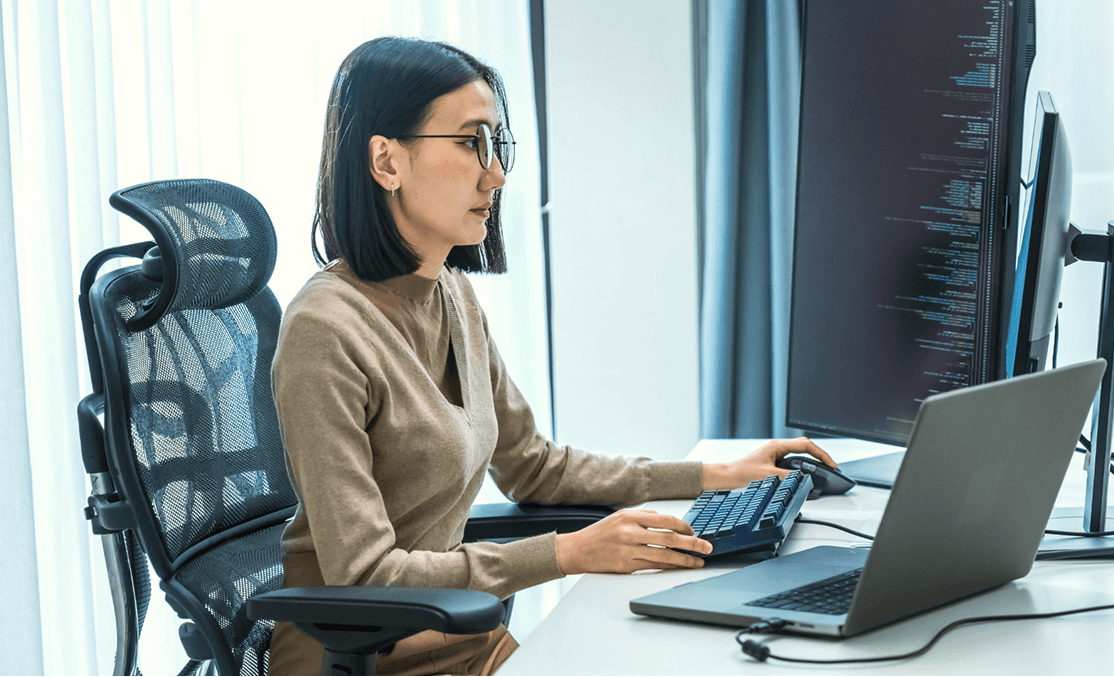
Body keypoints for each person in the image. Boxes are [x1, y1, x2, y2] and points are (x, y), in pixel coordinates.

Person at [266, 36, 834, 676]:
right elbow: (366, 576)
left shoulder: (452, 293)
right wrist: (566, 554)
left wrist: (714, 476)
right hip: (363, 659)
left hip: (463, 643)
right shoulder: (324, 330)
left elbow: (534, 467)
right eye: (470, 143)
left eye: (497, 145)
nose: (497, 174)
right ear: (386, 161)